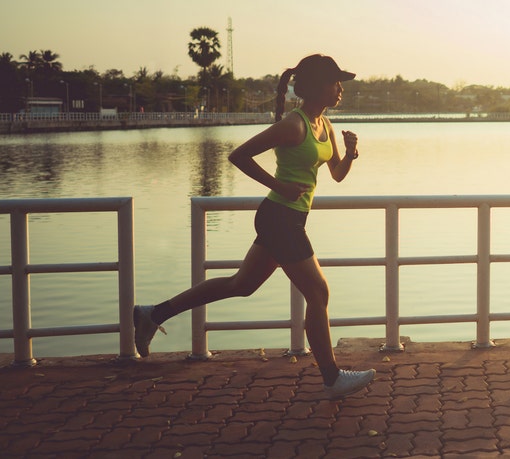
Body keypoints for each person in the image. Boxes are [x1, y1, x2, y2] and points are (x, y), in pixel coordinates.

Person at [133, 54, 375, 398]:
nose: (340, 89)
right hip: (281, 219)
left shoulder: (326, 126)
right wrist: (280, 186)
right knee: (318, 292)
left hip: (290, 218)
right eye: (335, 82)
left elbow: (335, 174)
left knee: (241, 284)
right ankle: (332, 377)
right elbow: (238, 156)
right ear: (317, 86)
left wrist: (350, 154)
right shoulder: (295, 125)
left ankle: (152, 314)